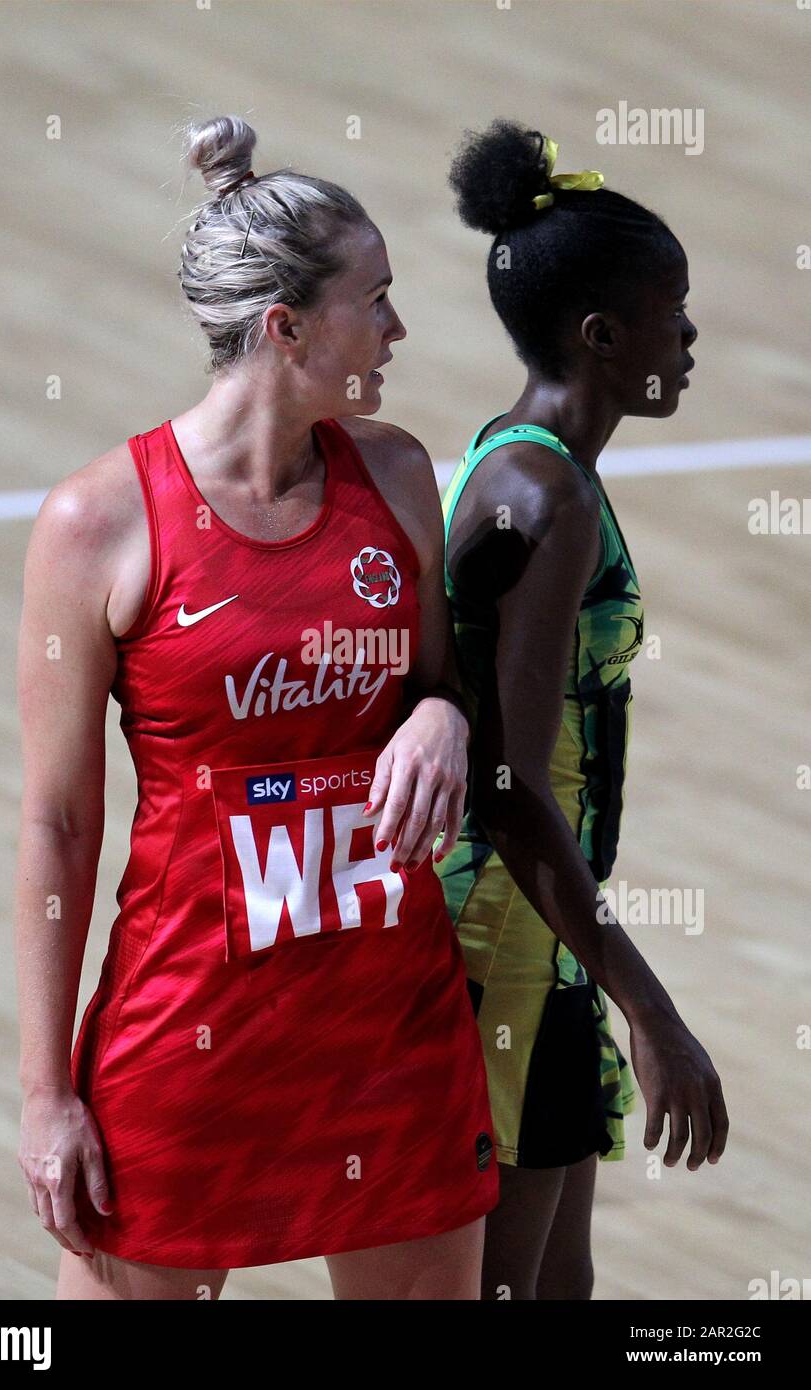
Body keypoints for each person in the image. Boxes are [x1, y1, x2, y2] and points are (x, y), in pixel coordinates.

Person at [15, 115, 498, 1302]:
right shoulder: (99, 525)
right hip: (188, 1033)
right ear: (285, 326)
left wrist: (444, 716)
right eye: (373, 300)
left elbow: (438, 687)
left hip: (388, 1025)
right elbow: (57, 826)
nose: (396, 329)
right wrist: (46, 1092)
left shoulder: (394, 477)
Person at [433, 121, 729, 1300]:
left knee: (559, 1288)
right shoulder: (541, 490)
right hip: (500, 938)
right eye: (674, 309)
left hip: (541, 934)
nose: (691, 335)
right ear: (602, 337)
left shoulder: (527, 462)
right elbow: (503, 787)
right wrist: (651, 1012)